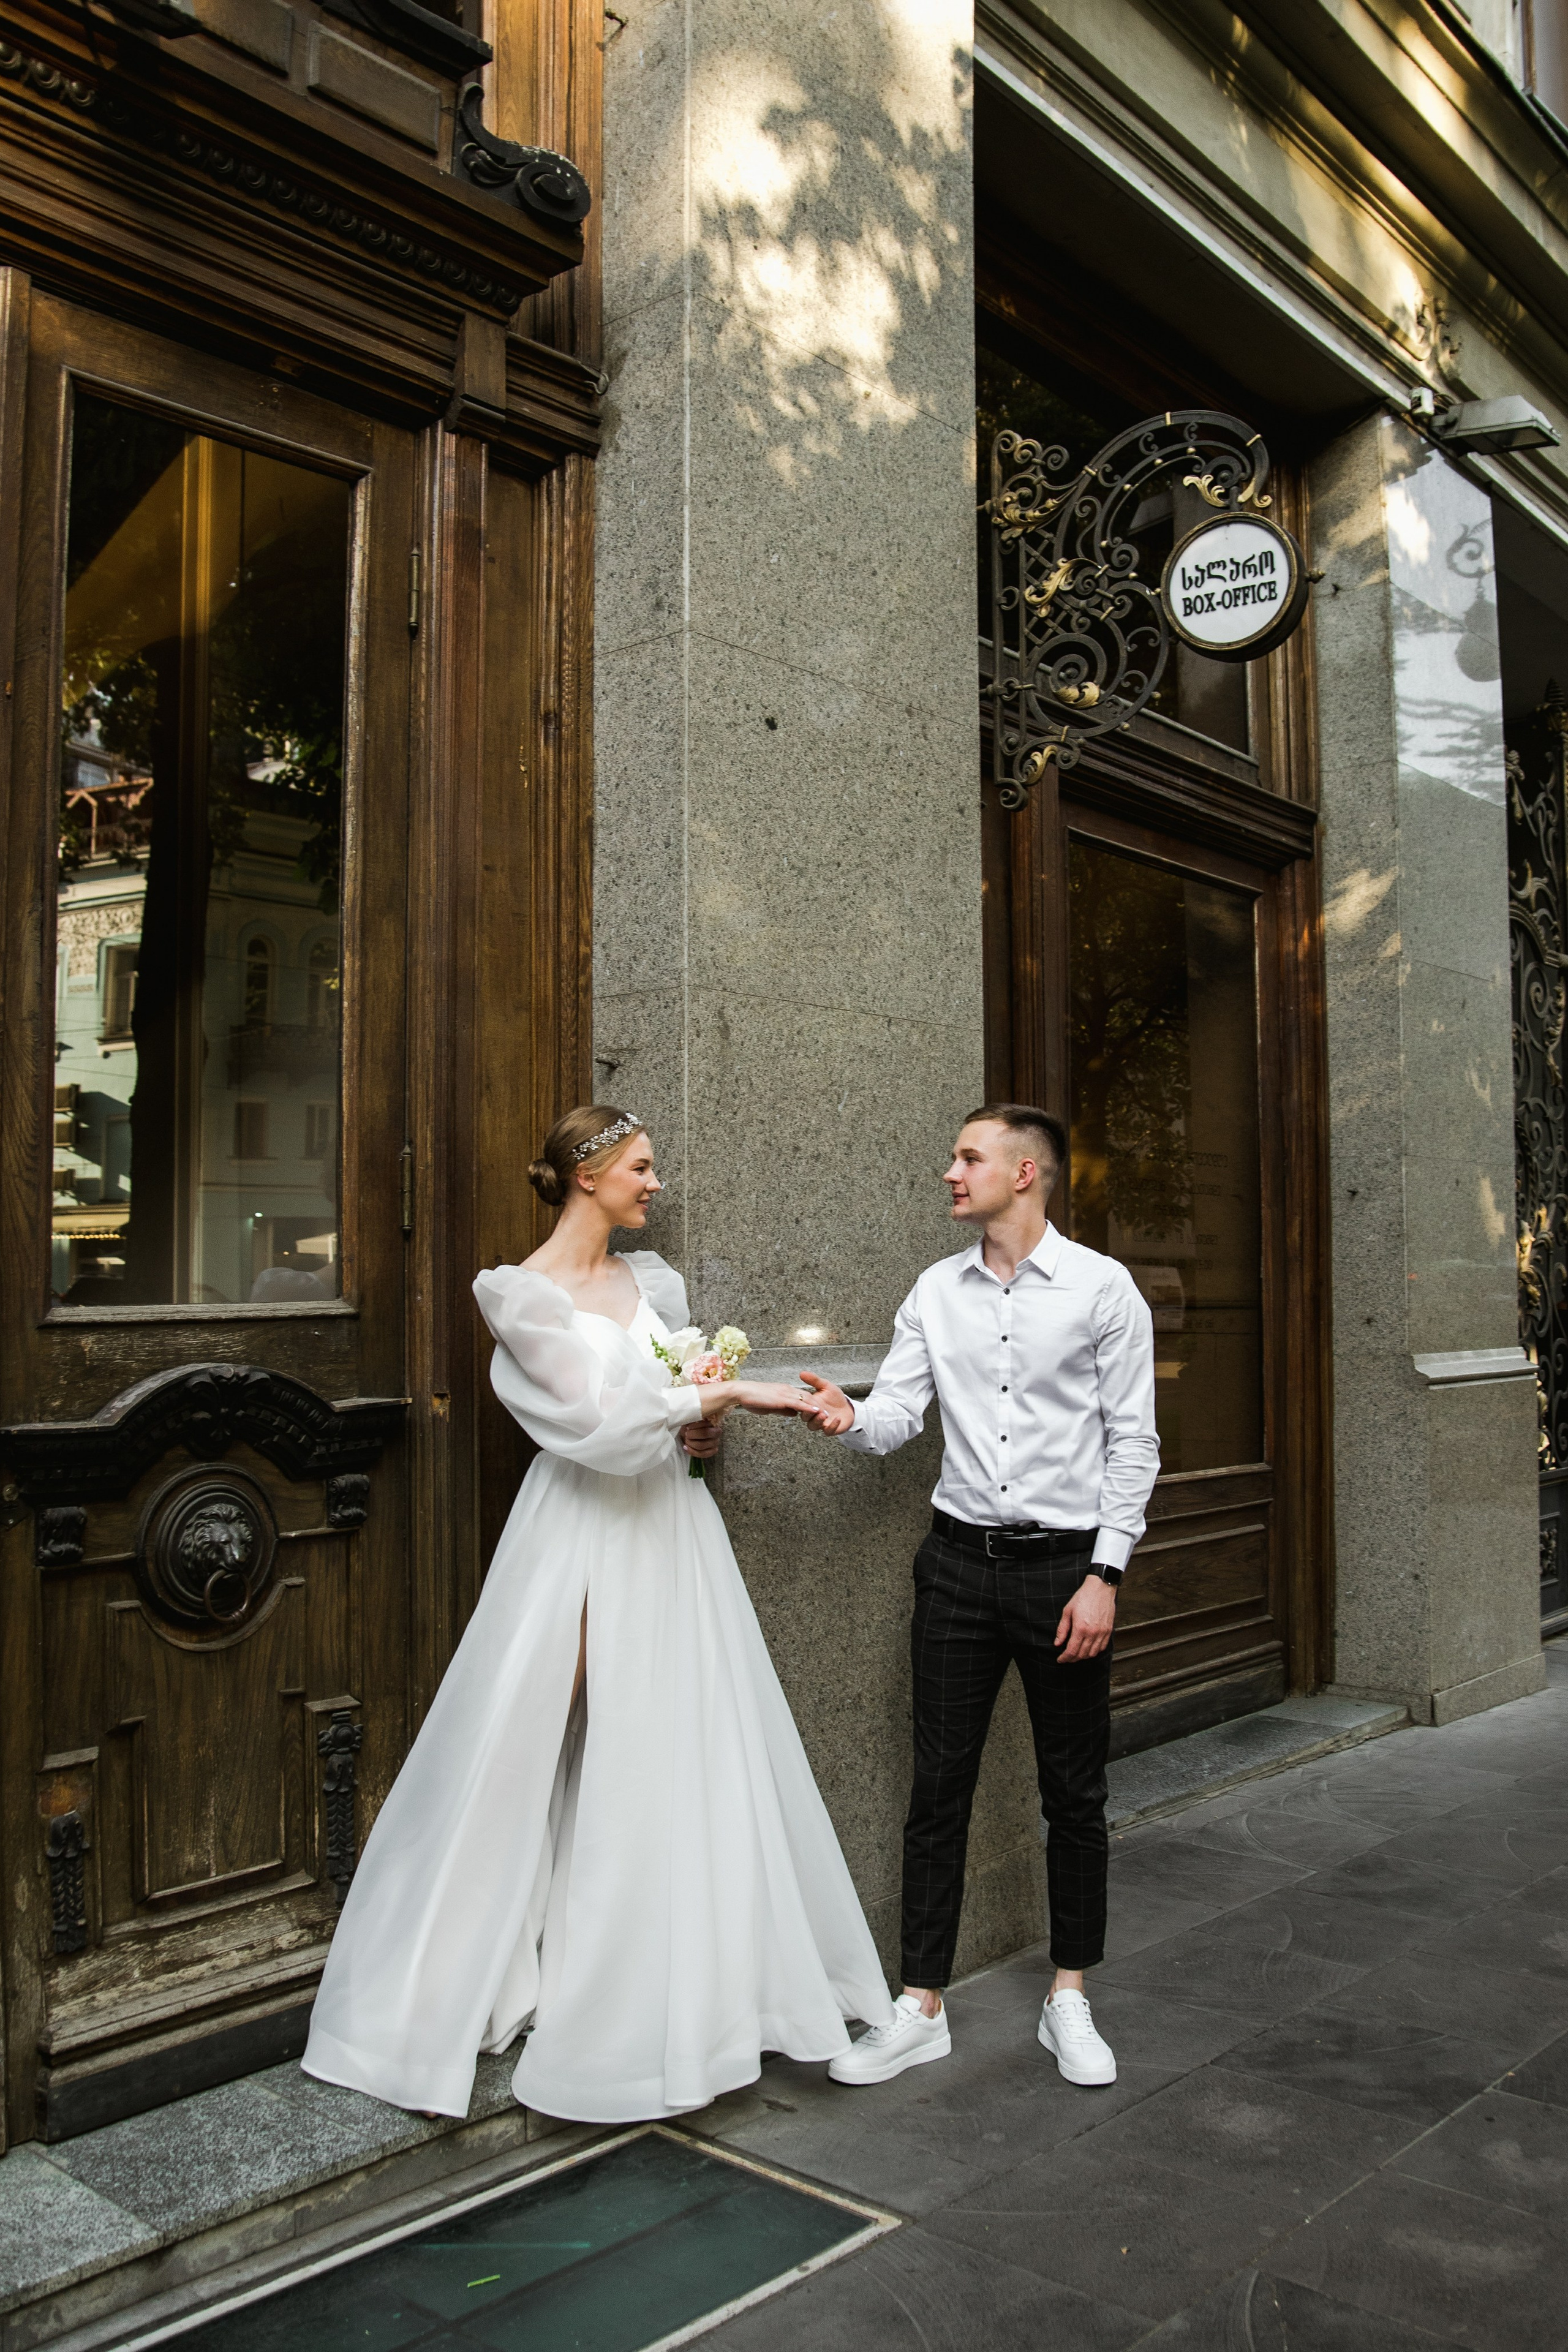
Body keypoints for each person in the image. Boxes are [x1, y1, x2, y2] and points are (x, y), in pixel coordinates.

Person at [302, 1105, 894, 2123]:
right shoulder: (521, 1297)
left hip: (670, 1532)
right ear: (587, 1174)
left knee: (677, 1746)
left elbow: (663, 1426)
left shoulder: (649, 1283)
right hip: (580, 1535)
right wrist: (731, 1400)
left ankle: (680, 2000)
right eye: (642, 1166)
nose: (656, 1183)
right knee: (530, 1742)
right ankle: (453, 1978)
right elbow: (600, 1428)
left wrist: (702, 1432)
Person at [799, 1103, 1158, 2090]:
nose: (950, 1172)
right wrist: (846, 1415)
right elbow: (900, 1414)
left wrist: (1105, 1574)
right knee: (936, 1788)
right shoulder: (935, 1290)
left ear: (1026, 1174)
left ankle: (1069, 1996)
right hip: (956, 1566)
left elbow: (1135, 1443)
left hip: (1065, 1573)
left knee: (1074, 1796)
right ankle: (921, 2005)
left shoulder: (1103, 1290)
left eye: (968, 1158)